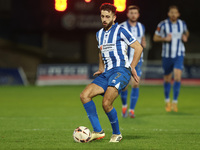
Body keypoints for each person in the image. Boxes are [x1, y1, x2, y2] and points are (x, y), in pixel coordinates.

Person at [80, 3, 143, 142]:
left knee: (106, 103)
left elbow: (138, 48)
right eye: (102, 16)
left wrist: (132, 67)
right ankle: (98, 131)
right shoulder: (99, 34)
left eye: (108, 17)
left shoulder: (121, 31)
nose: (104, 19)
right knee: (84, 95)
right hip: (107, 73)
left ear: (114, 17)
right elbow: (101, 51)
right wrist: (101, 68)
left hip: (121, 71)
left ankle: (117, 134)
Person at [153, 5, 189, 112]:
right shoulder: (163, 24)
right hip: (167, 55)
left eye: (175, 13)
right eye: (171, 12)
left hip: (179, 54)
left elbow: (186, 32)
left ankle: (175, 102)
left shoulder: (182, 24)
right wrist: (164, 38)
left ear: (178, 14)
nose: (173, 14)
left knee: (177, 77)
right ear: (168, 14)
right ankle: (167, 100)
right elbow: (155, 37)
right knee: (167, 79)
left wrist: (185, 36)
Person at [120, 5, 146, 118]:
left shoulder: (141, 27)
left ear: (138, 15)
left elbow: (142, 39)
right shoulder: (122, 26)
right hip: (125, 61)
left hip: (138, 60)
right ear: (127, 14)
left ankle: (131, 110)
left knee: (135, 83)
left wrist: (143, 43)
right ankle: (124, 105)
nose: (133, 15)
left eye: (135, 13)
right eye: (131, 13)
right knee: (124, 86)